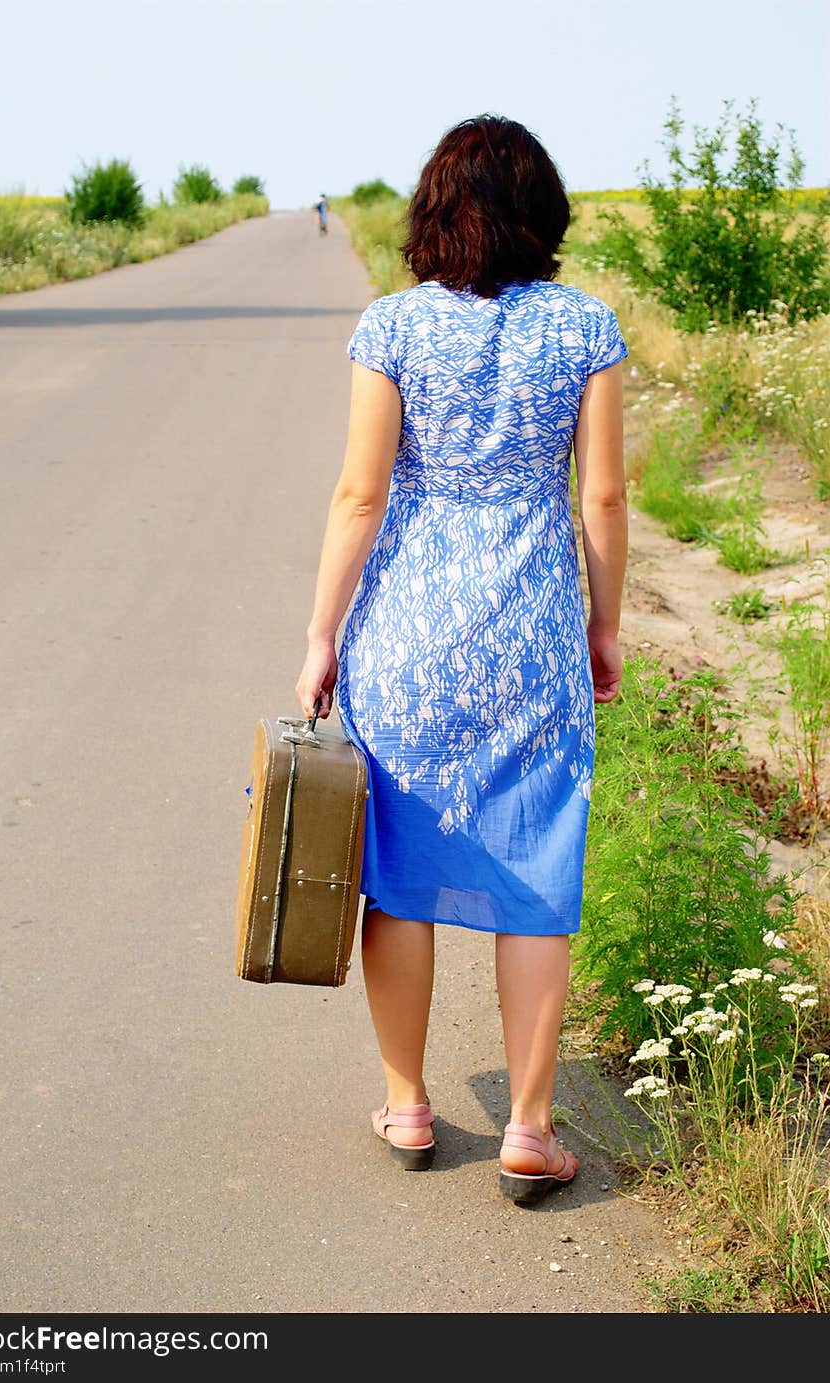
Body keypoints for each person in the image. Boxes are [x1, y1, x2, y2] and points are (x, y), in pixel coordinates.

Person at [296, 114, 628, 1204]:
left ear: (436, 210)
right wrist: (603, 626)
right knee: (537, 873)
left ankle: (406, 1104)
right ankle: (529, 1132)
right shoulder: (584, 326)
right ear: (543, 216)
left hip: (406, 638)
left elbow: (360, 494)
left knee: (397, 879)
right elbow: (605, 498)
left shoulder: (390, 327)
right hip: (532, 633)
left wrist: (321, 637)